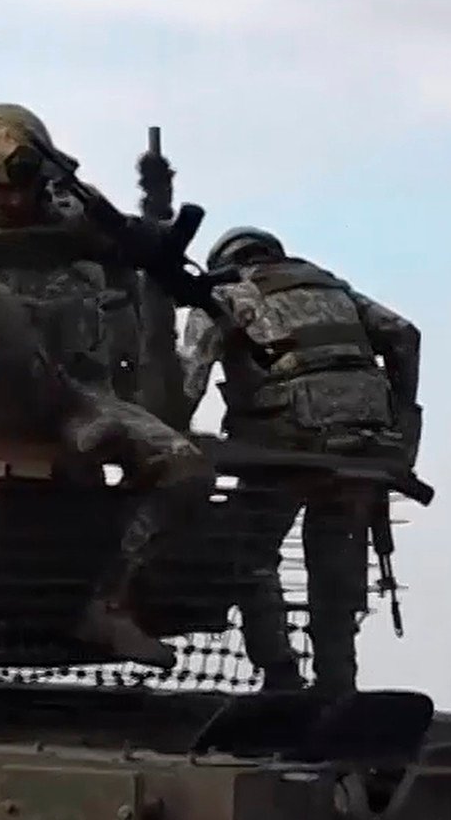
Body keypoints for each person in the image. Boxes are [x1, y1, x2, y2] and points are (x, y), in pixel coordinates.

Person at [0, 103, 215, 667]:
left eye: (25, 190)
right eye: (0, 189)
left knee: (188, 470)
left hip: (83, 393)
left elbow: (134, 255)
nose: (15, 202)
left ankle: (108, 604)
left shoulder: (75, 222)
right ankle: (78, 422)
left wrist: (149, 228)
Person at [177, 225, 421, 693]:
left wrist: (167, 436)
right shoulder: (332, 288)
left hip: (284, 444)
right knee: (335, 563)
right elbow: (404, 335)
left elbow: (192, 374)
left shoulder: (223, 294)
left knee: (250, 553)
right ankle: (337, 684)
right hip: (367, 449)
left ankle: (281, 673)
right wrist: (402, 420)